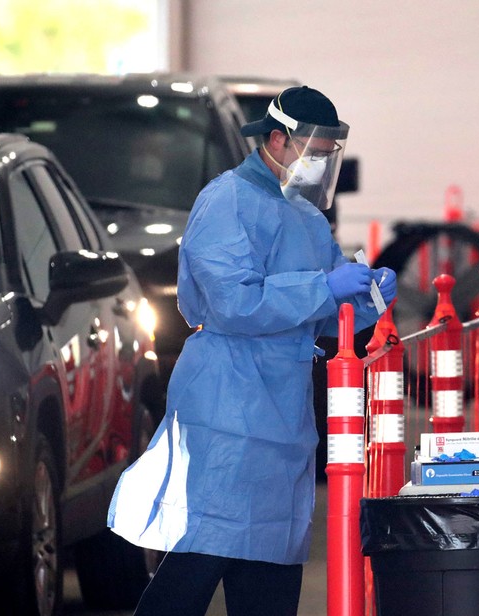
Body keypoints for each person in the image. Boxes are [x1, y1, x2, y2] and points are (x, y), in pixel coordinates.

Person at [107, 85, 397, 616]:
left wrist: (370, 296)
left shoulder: (306, 216)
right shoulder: (227, 201)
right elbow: (233, 303)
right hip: (228, 406)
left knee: (270, 562)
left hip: (283, 412)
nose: (319, 164)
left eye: (329, 155)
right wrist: (323, 288)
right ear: (278, 139)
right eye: (315, 151)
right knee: (204, 551)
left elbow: (332, 317)